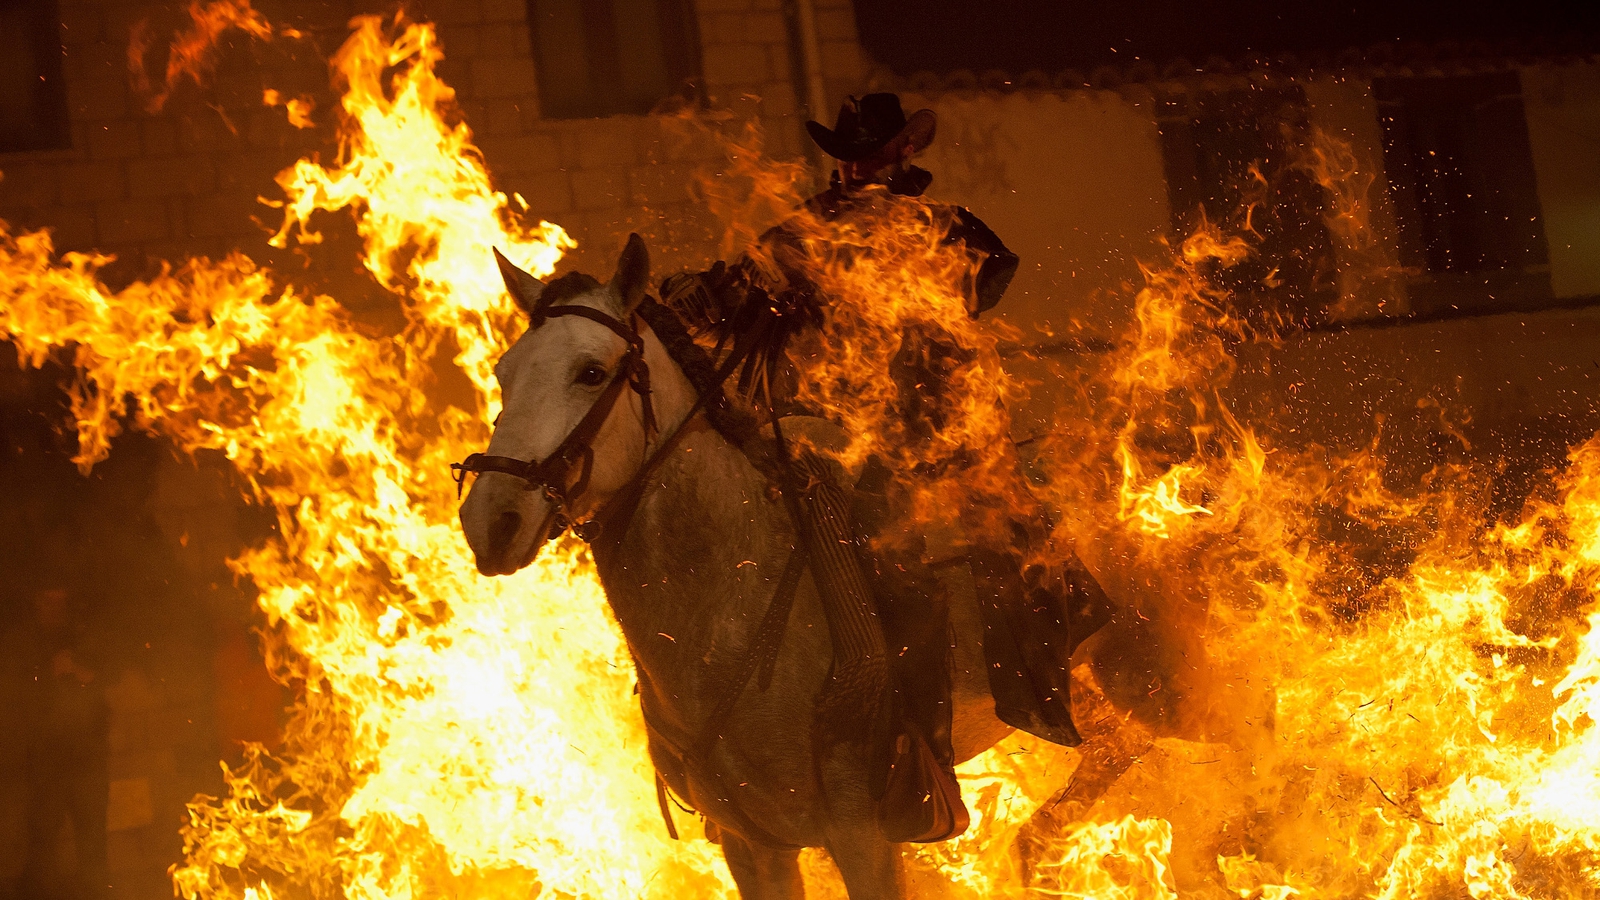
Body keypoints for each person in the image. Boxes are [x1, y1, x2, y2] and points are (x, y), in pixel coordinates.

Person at [666, 95, 1112, 822]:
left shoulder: (941, 229)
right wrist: (690, 299)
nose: (855, 164)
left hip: (937, 440)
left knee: (902, 575)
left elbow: (986, 282)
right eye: (848, 152)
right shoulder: (807, 229)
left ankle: (918, 764)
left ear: (900, 158)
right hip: (832, 437)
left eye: (870, 152)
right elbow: (733, 291)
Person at [15, 587, 110, 900]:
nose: (55, 607)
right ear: (36, 603)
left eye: (60, 600)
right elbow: (19, 694)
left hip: (88, 759)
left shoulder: (82, 638)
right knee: (43, 843)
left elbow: (105, 679)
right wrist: (46, 674)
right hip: (48, 762)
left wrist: (82, 673)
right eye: (48, 600)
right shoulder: (26, 643)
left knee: (93, 843)